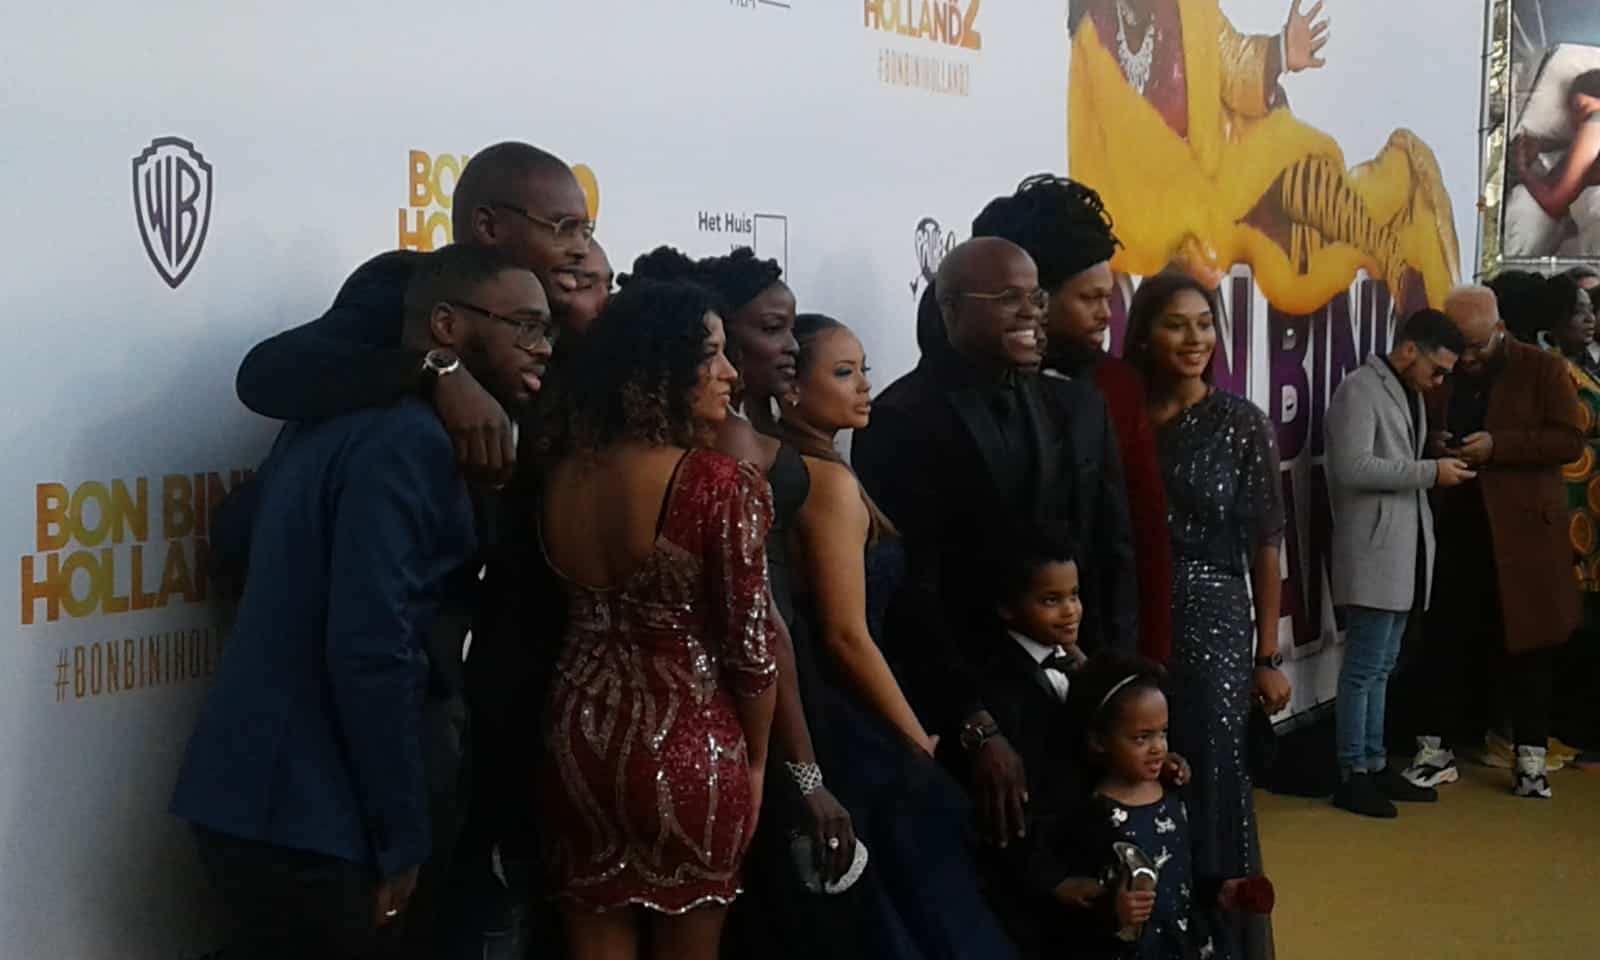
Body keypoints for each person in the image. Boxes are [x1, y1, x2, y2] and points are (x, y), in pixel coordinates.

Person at [170, 245, 554, 959]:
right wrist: (400, 839)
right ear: (446, 325)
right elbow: (373, 647)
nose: (542, 347)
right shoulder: (408, 441)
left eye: (547, 329)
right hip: (318, 823)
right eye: (526, 326)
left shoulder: (337, 418)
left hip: (272, 806)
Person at [854, 237, 1136, 855]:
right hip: (966, 707)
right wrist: (974, 723)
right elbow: (912, 590)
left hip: (1063, 698)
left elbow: (1103, 545)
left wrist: (1113, 681)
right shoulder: (901, 419)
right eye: (1009, 297)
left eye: (1036, 297)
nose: (1032, 311)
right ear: (950, 307)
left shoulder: (1057, 402)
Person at [622, 247, 867, 960]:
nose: (790, 346)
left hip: (663, 719)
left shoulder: (602, 459)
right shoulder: (719, 453)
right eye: (769, 329)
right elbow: (761, 629)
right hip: (732, 716)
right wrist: (795, 772)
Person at [537, 276, 778, 959]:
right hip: (692, 746)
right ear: (660, 369)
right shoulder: (717, 484)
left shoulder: (563, 475)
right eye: (711, 354)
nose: (730, 373)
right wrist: (759, 762)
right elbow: (752, 650)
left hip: (575, 742)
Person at [779, 312, 1016, 959]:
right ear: (790, 387)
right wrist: (916, 739)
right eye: (843, 372)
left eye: (864, 369)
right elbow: (845, 635)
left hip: (841, 715)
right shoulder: (825, 482)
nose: (864, 386)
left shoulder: (810, 467)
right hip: (857, 724)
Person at [1067, 0, 1460, 315]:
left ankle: (1390, 258)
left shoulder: (1191, 7)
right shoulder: (1090, 34)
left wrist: (1281, 51)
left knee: (1293, 164)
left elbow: (1236, 65)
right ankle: (1383, 250)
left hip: (1221, 177)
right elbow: (1090, 160)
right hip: (1160, 211)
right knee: (1291, 236)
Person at [1122, 271, 1289, 960]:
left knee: (1213, 780)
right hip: (1130, 617)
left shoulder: (1241, 423)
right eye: (1175, 324)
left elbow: (1267, 544)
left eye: (1204, 323)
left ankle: (1222, 943)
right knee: (1136, 773)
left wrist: (1266, 656)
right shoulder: (1121, 416)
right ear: (1143, 335)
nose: (1194, 339)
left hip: (1214, 623)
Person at [973, 174, 1175, 662]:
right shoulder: (967, 393)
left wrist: (1142, 663)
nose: (1106, 314)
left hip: (1101, 648)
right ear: (1034, 295)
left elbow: (1140, 536)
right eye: (1089, 298)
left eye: (1109, 297)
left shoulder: (1117, 388)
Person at [1406, 286, 1583, 799]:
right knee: (1443, 640)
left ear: (1501, 329)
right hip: (1453, 525)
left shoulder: (1543, 368)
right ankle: (1434, 751)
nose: (1466, 359)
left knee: (1529, 648)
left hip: (1523, 535)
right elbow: (1419, 426)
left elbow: (1569, 440)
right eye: (1458, 348)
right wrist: (1433, 445)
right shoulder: (1440, 368)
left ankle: (1531, 761)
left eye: (1477, 347)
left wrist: (1499, 446)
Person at [1323, 308, 1469, 818]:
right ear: (1409, 350)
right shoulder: (1359, 391)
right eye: (1437, 369)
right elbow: (1352, 467)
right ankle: (1352, 772)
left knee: (1383, 665)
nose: (1439, 381)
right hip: (1373, 548)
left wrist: (1431, 451)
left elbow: (1391, 458)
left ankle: (1374, 760)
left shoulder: (1407, 393)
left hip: (1402, 548)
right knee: (1364, 667)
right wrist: (1430, 470)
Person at [1057, 656, 1276, 960]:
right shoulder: (1093, 816)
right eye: (1141, 738)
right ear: (1098, 741)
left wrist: (1220, 890)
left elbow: (1182, 876)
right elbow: (1079, 911)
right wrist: (1113, 913)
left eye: (1162, 733)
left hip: (1190, 944)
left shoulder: (1172, 793)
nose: (1158, 747)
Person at [1507, 71, 1600, 259]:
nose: (1575, 120)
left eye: (1581, 107)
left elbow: (1555, 203)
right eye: (1571, 112)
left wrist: (1523, 170)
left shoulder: (1596, 120)